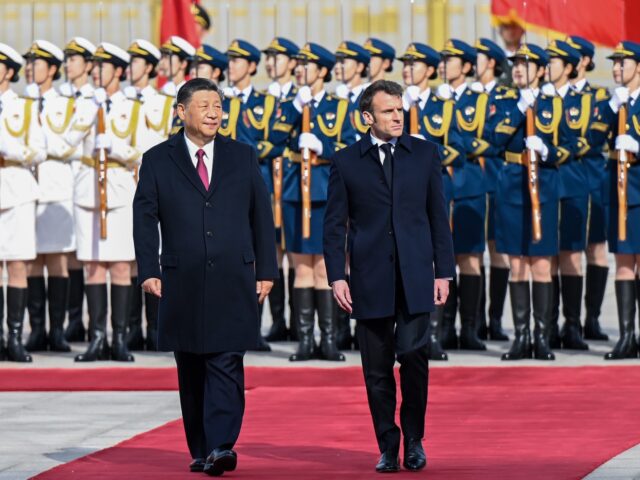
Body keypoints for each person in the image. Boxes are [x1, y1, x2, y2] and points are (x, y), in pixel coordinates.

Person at [133, 78, 278, 475]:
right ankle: (200, 447)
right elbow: (144, 219)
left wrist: (266, 269)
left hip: (234, 274)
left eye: (218, 105)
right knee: (191, 363)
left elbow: (260, 217)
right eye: (204, 105)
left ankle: (222, 444)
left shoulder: (242, 156)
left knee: (228, 358)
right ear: (181, 112)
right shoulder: (158, 159)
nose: (214, 112)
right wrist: (148, 269)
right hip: (182, 276)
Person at [324, 79, 455, 472]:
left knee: (414, 357)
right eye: (388, 111)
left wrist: (443, 272)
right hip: (368, 279)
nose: (398, 116)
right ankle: (387, 443)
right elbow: (334, 225)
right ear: (368, 117)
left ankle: (415, 439)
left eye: (400, 110)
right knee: (376, 369)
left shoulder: (425, 154)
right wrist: (337, 276)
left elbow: (437, 217)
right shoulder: (346, 161)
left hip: (416, 276)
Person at [491, 43, 573, 361]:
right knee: (516, 264)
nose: (518, 69)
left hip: (545, 183)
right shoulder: (505, 100)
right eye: (515, 64)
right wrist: (518, 111)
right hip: (512, 183)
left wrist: (547, 150)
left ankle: (542, 336)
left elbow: (568, 143)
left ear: (540, 70)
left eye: (526, 65)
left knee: (540, 263)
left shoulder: (554, 103)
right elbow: (495, 137)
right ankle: (521, 336)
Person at [278, 42, 357, 362]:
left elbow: (352, 146)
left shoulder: (340, 107)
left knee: (325, 269)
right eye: (298, 65)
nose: (300, 70)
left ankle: (329, 338)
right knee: (301, 270)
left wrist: (323, 147)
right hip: (297, 192)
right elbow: (271, 136)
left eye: (307, 66)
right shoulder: (290, 105)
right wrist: (296, 108)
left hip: (325, 191)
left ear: (322, 71)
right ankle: (305, 339)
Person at [70, 42, 147, 362]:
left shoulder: (132, 108)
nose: (98, 72)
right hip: (89, 188)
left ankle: (119, 338)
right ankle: (96, 336)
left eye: (105, 67)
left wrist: (114, 147)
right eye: (95, 66)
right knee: (92, 266)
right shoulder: (86, 104)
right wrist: (91, 110)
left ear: (118, 71)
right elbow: (66, 140)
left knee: (118, 266)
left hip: (117, 189)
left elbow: (143, 151)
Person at [399, 41, 464, 360]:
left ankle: (435, 333)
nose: (407, 69)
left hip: (433, 189)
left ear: (429, 69)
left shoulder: (445, 106)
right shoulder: (393, 105)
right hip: (400, 195)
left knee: (433, 258)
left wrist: (430, 150)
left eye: (414, 64)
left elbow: (461, 146)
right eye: (405, 64)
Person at [22, 40, 75, 354]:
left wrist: (41, 144)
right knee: (30, 260)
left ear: (52, 69)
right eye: (29, 62)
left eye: (37, 62)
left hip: (55, 182)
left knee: (56, 259)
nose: (31, 68)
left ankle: (57, 330)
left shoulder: (64, 103)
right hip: (29, 183)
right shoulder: (20, 102)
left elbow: (68, 143)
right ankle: (36, 329)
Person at [591, 41, 640, 359]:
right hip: (619, 188)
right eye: (616, 63)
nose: (617, 68)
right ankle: (626, 336)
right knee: (623, 262)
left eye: (624, 63)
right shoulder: (612, 102)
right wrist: (612, 108)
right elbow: (593, 137)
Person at [439, 39, 488, 351]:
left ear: (467, 66)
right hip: (441, 185)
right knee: (443, 257)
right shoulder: (430, 100)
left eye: (451, 58)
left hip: (469, 182)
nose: (444, 64)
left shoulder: (478, 100)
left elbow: (485, 140)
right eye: (442, 59)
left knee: (469, 257)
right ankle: (444, 327)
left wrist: (452, 114)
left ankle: (469, 328)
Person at [0, 43, 46, 362]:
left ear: (9, 72)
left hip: (15, 187)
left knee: (17, 264)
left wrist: (12, 151)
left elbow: (39, 150)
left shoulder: (24, 107)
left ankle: (15, 336)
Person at [544, 40, 592, 350]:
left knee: (572, 255)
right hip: (546, 184)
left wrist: (554, 152)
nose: (549, 66)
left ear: (569, 66)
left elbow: (587, 139)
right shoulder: (539, 100)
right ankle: (547, 325)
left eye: (555, 61)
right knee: (547, 255)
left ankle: (572, 324)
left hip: (573, 182)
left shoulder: (584, 100)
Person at [566, 35, 611, 341]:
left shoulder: (600, 97)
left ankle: (591, 318)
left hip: (593, 177)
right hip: (565, 178)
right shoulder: (553, 96)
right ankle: (568, 322)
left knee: (596, 249)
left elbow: (597, 136)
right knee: (566, 250)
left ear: (583, 61)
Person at [472, 38, 512, 341]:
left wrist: (474, 144)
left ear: (492, 63)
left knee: (498, 250)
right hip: (472, 179)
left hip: (498, 178)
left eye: (480, 57)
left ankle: (495, 319)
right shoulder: (464, 97)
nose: (475, 62)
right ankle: (472, 321)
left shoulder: (506, 97)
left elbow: (499, 137)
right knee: (471, 251)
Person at [262, 37, 299, 342]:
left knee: (296, 254)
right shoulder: (260, 100)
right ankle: (277, 320)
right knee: (272, 253)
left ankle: (300, 321)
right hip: (266, 184)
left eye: (278, 56)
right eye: (268, 57)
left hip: (292, 182)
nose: (271, 62)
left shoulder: (301, 99)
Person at [59, 37, 96, 344]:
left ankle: (83, 318)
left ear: (88, 64)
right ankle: (72, 319)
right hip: (58, 179)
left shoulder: (95, 99)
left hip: (84, 177)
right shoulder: (56, 98)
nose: (68, 64)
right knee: (66, 253)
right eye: (67, 59)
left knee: (86, 252)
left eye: (74, 59)